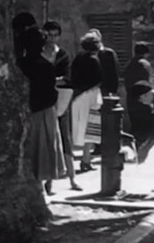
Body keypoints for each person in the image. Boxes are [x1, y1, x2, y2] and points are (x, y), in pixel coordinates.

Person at [15, 26, 66, 195]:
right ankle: (45, 184)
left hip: (24, 110)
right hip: (43, 110)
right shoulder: (46, 66)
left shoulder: (19, 64)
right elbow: (51, 93)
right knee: (46, 147)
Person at [42, 21, 82, 192]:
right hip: (41, 101)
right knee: (47, 141)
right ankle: (48, 182)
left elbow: (67, 77)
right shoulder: (37, 54)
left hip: (60, 100)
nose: (52, 38)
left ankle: (72, 179)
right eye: (49, 35)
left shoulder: (63, 54)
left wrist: (47, 79)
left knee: (65, 138)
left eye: (55, 35)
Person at [70, 33, 103, 172]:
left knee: (81, 129)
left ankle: (84, 159)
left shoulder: (78, 58)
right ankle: (86, 160)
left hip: (78, 96)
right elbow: (99, 79)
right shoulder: (94, 60)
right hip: (91, 95)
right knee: (91, 130)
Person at [87, 28, 120, 156]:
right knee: (95, 120)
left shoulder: (108, 53)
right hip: (93, 91)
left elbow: (115, 72)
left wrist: (112, 91)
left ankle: (109, 145)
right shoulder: (89, 54)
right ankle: (98, 146)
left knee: (107, 119)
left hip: (106, 90)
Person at [123, 42, 153, 143]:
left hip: (131, 98)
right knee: (145, 126)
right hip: (142, 97)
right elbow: (146, 83)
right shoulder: (145, 64)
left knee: (135, 125)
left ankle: (133, 145)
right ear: (146, 53)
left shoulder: (129, 64)